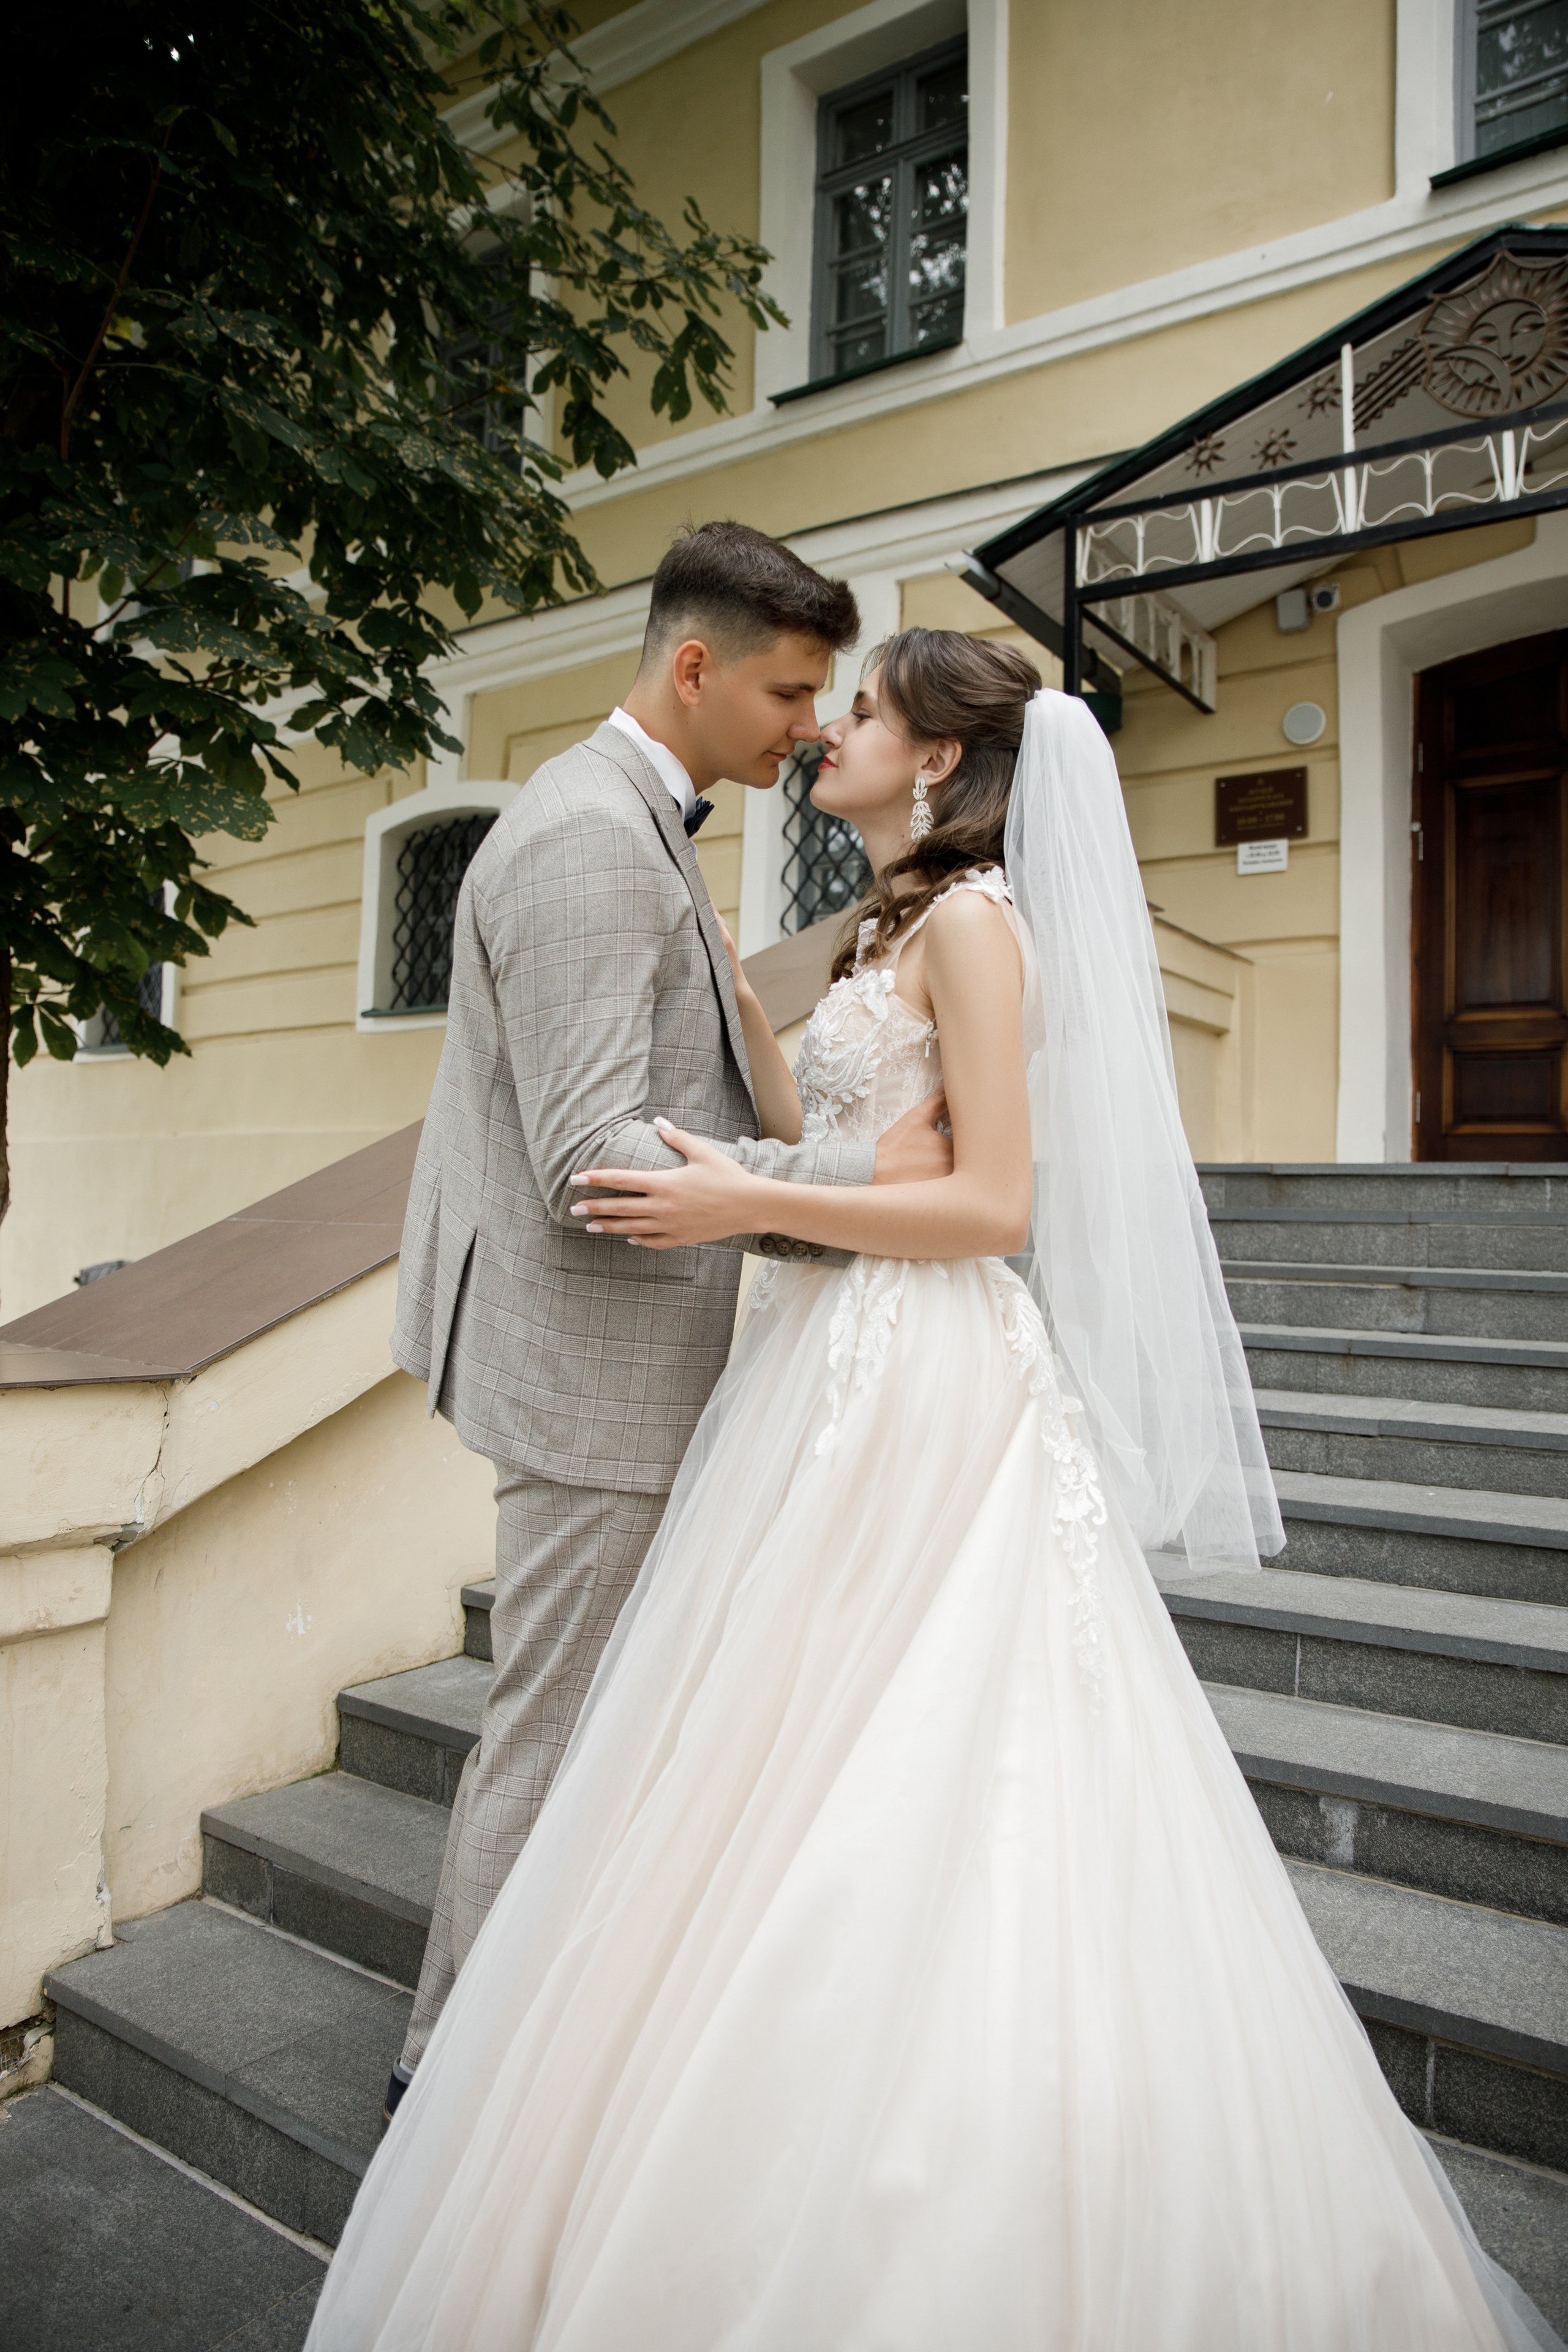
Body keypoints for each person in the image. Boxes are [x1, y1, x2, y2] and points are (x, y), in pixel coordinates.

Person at [314, 631, 1560, 2351]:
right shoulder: (890, 918)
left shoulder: (976, 927)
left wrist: (754, 1201)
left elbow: (990, 1207)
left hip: (924, 1377)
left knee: (920, 1749)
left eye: (875, 712)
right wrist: (764, 1060)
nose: (835, 728)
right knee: (770, 1743)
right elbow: (865, 1127)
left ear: (951, 764)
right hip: (820, 1365)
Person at [383, 526, 954, 2125]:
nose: (806, 725)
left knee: (590, 1725)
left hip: (625, 1361)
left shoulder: (633, 821)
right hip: (594, 1374)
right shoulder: (586, 837)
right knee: (551, 1735)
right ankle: (446, 2085)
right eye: (788, 689)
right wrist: (852, 1178)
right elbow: (590, 1155)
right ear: (693, 667)